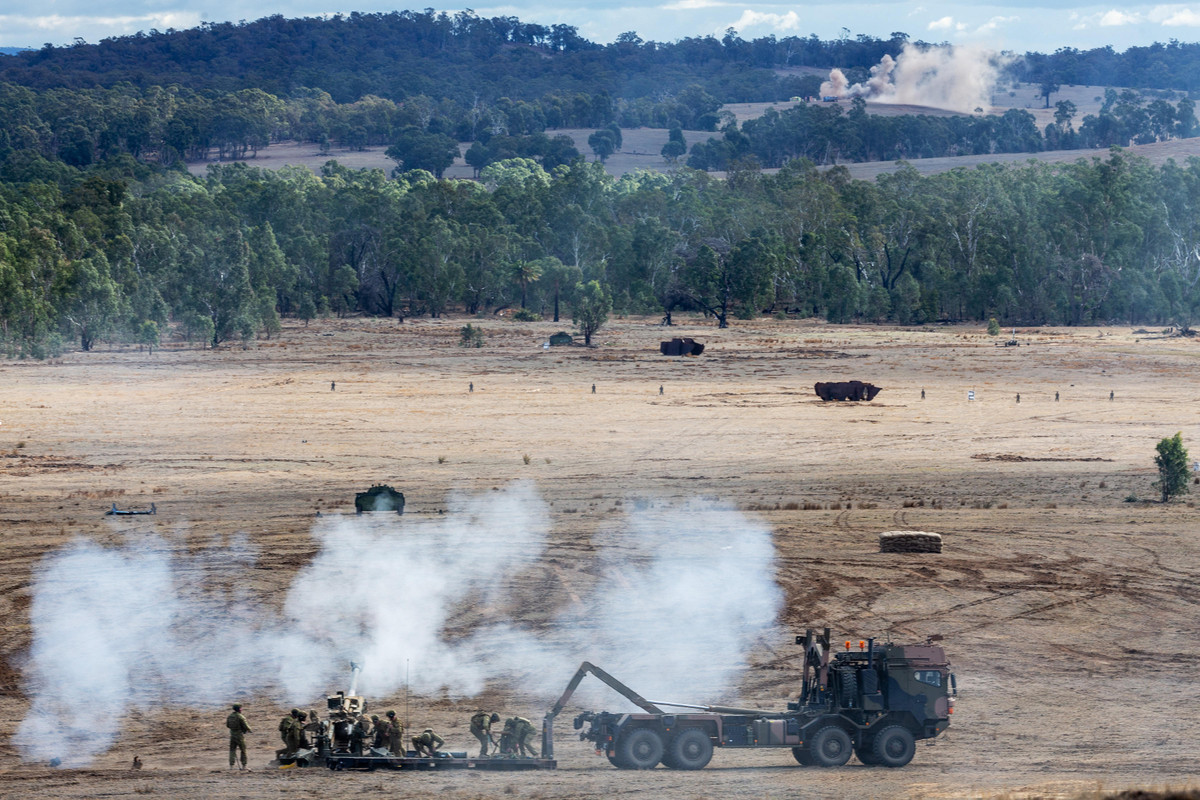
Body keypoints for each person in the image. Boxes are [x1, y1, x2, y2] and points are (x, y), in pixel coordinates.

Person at [226, 704, 251, 770]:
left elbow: (228, 725)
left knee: (232, 750)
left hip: (232, 735)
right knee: (243, 750)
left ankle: (231, 766)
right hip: (239, 736)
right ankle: (244, 765)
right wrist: (249, 730)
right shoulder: (240, 717)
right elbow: (246, 726)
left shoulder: (230, 716)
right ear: (239, 709)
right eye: (241, 708)